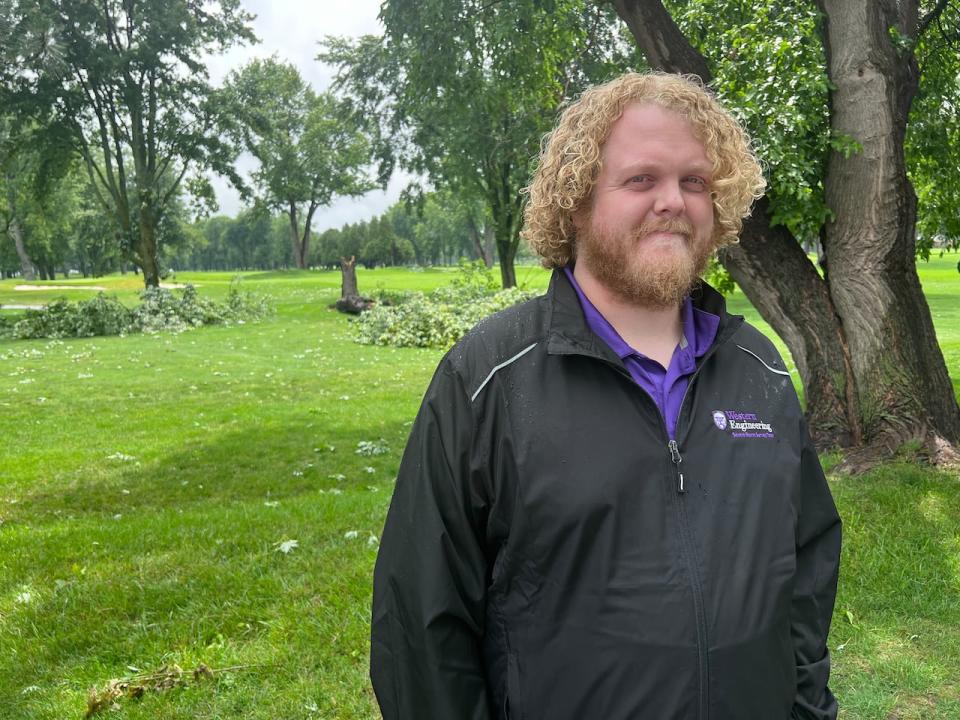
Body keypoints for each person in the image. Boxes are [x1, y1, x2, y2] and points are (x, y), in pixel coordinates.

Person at [370, 72, 841, 720]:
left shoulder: (757, 368)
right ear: (578, 198)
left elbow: (807, 583)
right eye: (641, 179)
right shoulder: (487, 381)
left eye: (695, 181)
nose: (673, 201)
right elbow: (420, 636)